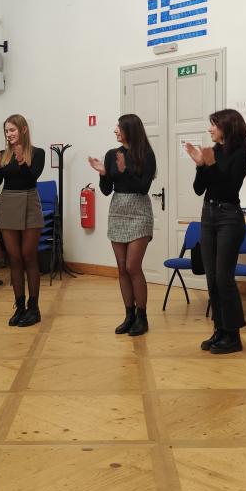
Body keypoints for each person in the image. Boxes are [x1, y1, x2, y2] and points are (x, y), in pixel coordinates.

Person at [186, 109, 246, 354]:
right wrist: (201, 166)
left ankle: (233, 335)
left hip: (228, 217)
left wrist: (210, 165)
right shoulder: (213, 151)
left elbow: (229, 189)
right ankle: (220, 329)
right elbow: (198, 189)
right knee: (212, 278)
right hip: (208, 215)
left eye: (214, 125)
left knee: (224, 278)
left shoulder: (240, 153)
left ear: (227, 127)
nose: (210, 129)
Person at [88, 114, 156, 336]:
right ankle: (129, 315)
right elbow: (107, 190)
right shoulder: (111, 154)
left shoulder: (146, 154)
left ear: (130, 130)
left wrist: (125, 170)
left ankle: (142, 317)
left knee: (132, 266)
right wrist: (103, 174)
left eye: (119, 127)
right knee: (121, 268)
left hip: (139, 211)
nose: (115, 130)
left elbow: (143, 188)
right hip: (118, 210)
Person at [0, 114, 45, 327]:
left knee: (29, 257)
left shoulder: (37, 153)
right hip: (8, 202)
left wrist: (21, 161)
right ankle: (19, 307)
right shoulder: (3, 154)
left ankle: (33, 308)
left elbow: (31, 178)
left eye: (12, 130)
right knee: (15, 258)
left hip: (29, 201)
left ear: (23, 129)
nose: (9, 134)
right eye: (6, 131)